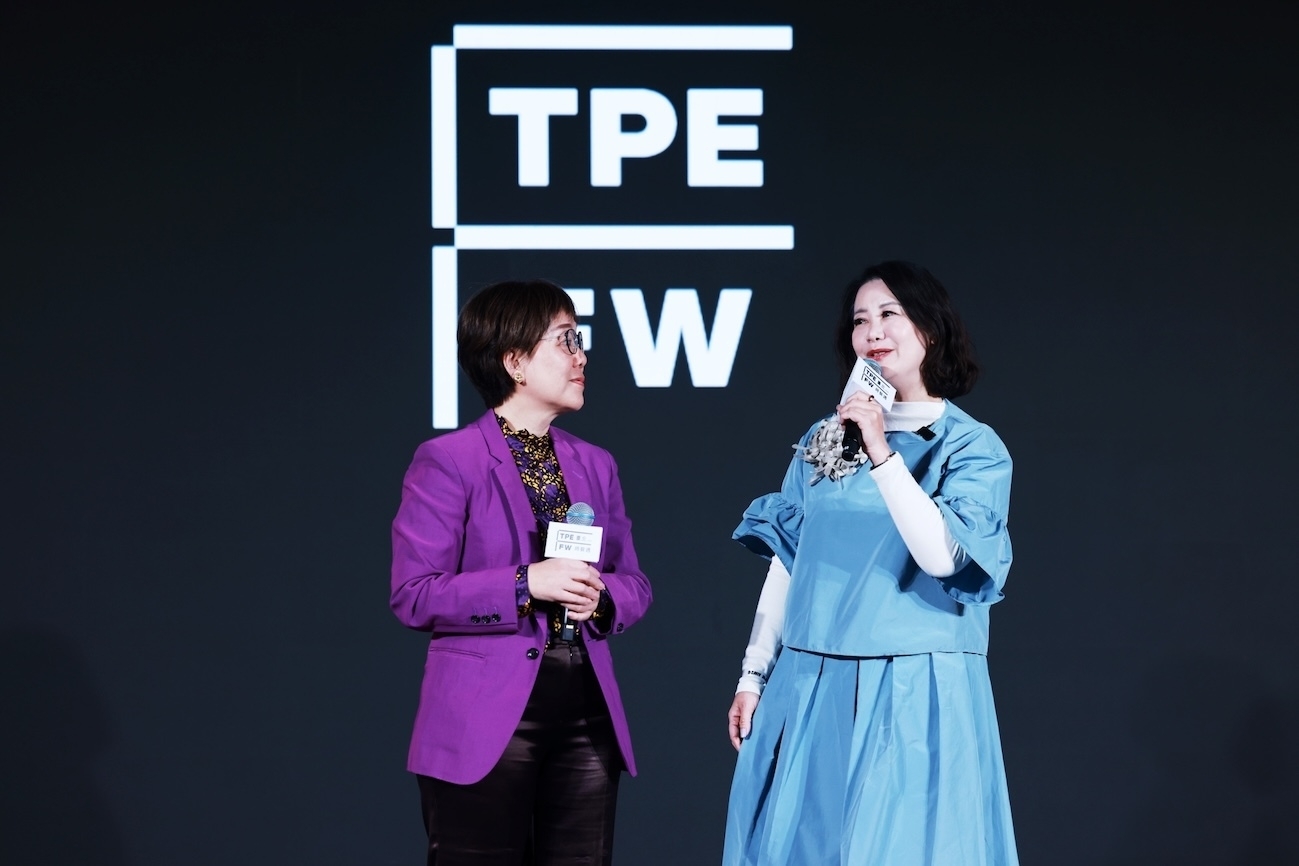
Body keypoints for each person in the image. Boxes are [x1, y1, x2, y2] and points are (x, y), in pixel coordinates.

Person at [722, 261, 1019, 865]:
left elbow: (945, 557)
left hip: (917, 685)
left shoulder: (971, 446)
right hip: (812, 679)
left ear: (930, 329)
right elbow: (789, 560)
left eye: (889, 314)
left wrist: (882, 452)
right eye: (860, 321)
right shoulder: (826, 437)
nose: (873, 331)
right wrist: (753, 674)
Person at [391, 278, 652, 866]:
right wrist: (525, 583)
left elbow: (633, 583)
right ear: (514, 361)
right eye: (566, 340)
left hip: (585, 708)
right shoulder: (449, 461)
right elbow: (414, 594)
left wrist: (601, 598)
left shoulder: (596, 464)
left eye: (580, 340)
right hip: (483, 713)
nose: (582, 356)